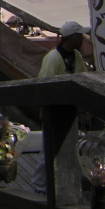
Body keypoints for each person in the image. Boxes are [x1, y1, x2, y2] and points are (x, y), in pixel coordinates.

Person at [32, 20, 90, 195]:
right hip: (55, 108)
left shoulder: (76, 56)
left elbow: (82, 79)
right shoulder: (53, 57)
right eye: (80, 35)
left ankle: (64, 182)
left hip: (69, 109)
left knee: (70, 146)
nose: (83, 38)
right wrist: (43, 108)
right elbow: (43, 84)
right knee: (48, 147)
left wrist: (84, 108)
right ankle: (39, 185)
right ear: (71, 37)